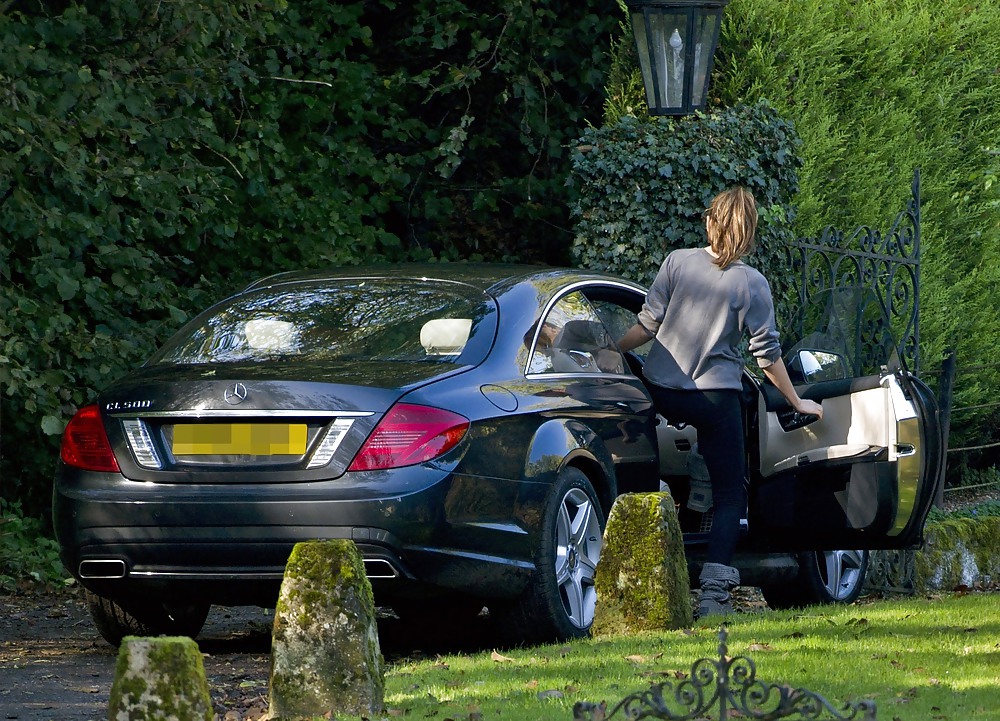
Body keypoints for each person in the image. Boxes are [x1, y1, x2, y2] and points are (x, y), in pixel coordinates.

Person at [617, 186, 823, 618]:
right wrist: (797, 401)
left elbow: (646, 327)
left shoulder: (677, 262)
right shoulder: (752, 284)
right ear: (747, 234)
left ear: (712, 222)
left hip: (660, 389)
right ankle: (712, 599)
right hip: (714, 398)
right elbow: (766, 357)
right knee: (731, 495)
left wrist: (610, 351)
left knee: (641, 467)